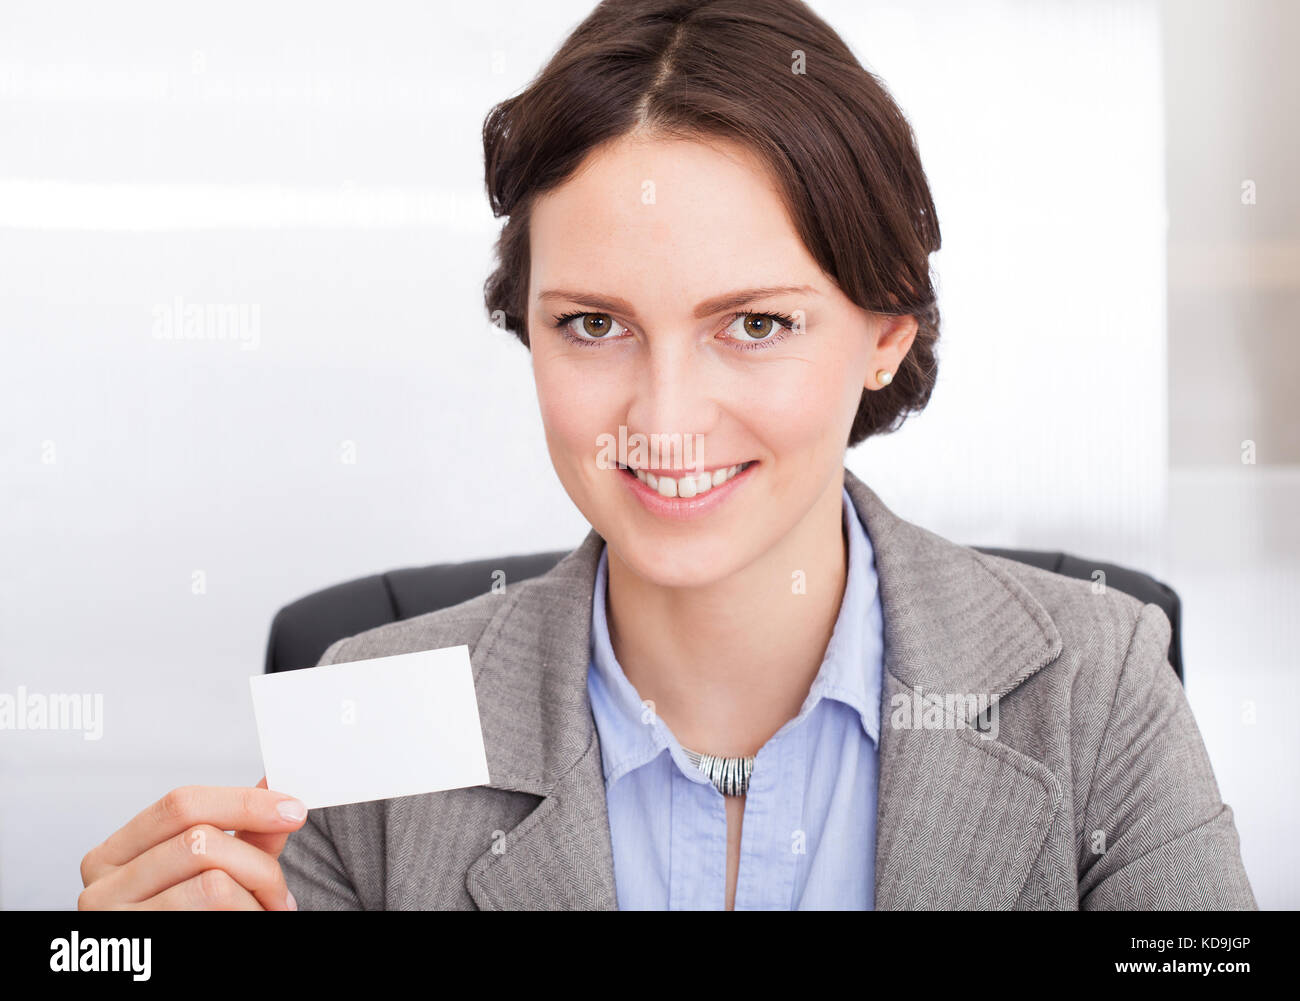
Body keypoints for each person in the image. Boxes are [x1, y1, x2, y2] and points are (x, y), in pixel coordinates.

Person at [78, 0, 1255, 911]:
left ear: (885, 332)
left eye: (755, 323)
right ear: (526, 324)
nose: (664, 417)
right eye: (593, 323)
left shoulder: (1096, 685)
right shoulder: (367, 711)